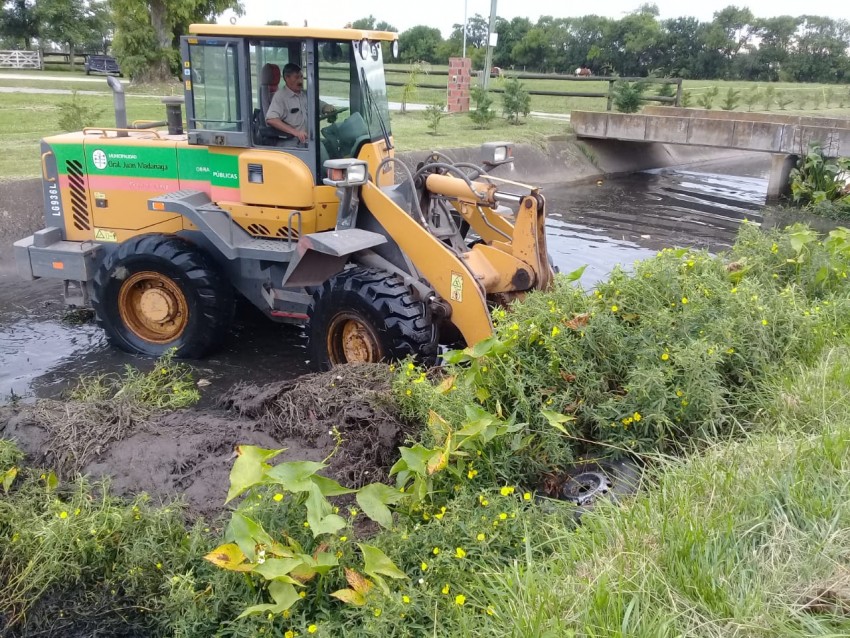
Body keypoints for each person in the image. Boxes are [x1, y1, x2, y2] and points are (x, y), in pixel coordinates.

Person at [265, 62, 333, 144]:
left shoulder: (304, 94)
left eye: (301, 77)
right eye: (296, 77)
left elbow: (318, 104)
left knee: (330, 144)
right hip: (292, 143)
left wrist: (326, 107)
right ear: (287, 78)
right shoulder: (280, 97)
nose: (300, 81)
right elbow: (271, 119)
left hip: (309, 141)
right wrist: (295, 132)